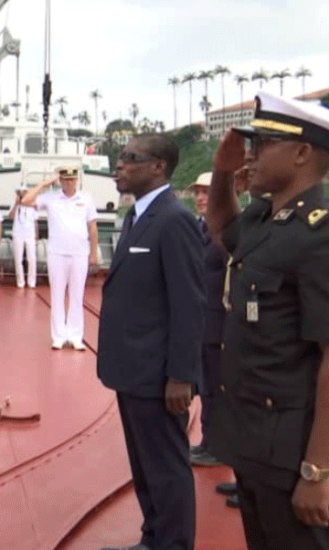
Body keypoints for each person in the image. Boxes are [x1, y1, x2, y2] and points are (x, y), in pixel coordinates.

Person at [206, 90, 329, 550]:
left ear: (301, 153)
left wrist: (318, 470)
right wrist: (222, 170)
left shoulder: (319, 236)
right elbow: (222, 228)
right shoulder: (263, 219)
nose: (250, 157)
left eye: (262, 147)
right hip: (253, 440)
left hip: (293, 450)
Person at [97, 134, 205, 550]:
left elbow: (188, 302)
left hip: (159, 374)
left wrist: (182, 375)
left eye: (129, 158)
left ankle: (174, 544)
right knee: (144, 467)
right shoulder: (138, 217)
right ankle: (153, 539)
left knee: (166, 468)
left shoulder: (174, 219)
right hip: (132, 369)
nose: (119, 165)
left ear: (158, 166)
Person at [22, 166, 98, 349]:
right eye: (65, 180)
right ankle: (58, 335)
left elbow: (93, 227)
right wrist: (45, 183)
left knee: (77, 295)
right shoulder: (51, 198)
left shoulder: (86, 199)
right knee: (57, 295)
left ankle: (75, 335)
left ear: (77, 180)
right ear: (61, 181)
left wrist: (93, 253)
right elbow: (25, 200)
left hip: (79, 252)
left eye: (72, 180)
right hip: (57, 252)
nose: (69, 183)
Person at [187, 171, 227, 469]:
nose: (201, 197)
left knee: (217, 386)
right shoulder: (200, 227)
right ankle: (210, 442)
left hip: (220, 323)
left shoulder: (227, 231)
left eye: (207, 191)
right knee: (206, 384)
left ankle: (216, 446)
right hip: (201, 322)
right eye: (198, 192)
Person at [7, 185, 39, 289]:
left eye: (24, 193)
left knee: (32, 258)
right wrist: (16, 204)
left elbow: (35, 223)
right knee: (18, 258)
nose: (22, 195)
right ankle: (20, 282)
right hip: (18, 233)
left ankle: (31, 281)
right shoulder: (15, 205)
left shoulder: (32, 206)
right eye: (20, 193)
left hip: (30, 234)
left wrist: (36, 238)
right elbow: (10, 216)